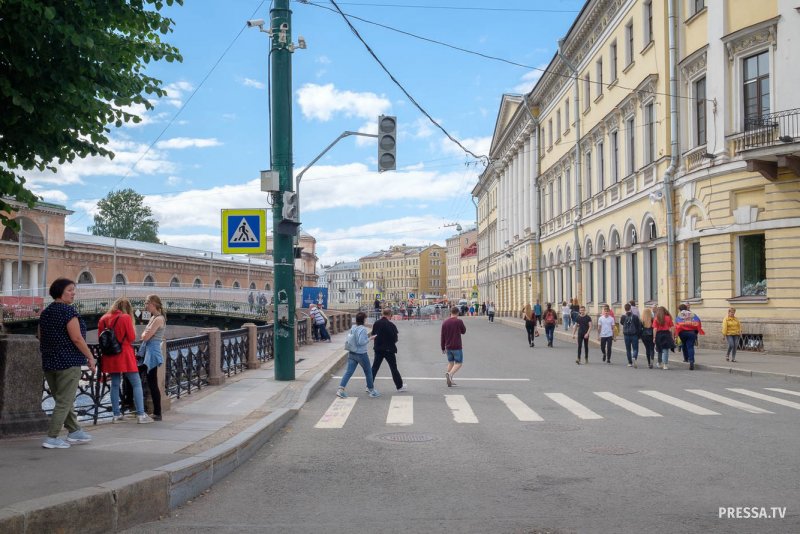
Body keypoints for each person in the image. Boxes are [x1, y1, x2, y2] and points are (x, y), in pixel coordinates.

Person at [38, 278, 97, 449]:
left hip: (50, 362)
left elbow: (41, 336)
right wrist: (90, 357)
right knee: (65, 401)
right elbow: (77, 338)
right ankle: (52, 437)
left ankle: (74, 431)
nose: (74, 293)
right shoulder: (68, 311)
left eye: (74, 290)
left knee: (62, 399)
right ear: (60, 291)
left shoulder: (46, 312)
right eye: (70, 290)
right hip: (68, 362)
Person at [98, 298, 154, 424]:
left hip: (110, 355)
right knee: (136, 383)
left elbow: (101, 338)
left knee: (115, 384)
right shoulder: (125, 318)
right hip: (124, 355)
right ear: (128, 308)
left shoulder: (103, 318)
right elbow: (131, 337)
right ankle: (141, 415)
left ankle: (116, 415)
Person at [337, 312, 380, 398]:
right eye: (365, 318)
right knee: (368, 371)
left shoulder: (353, 327)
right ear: (363, 319)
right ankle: (371, 390)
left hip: (352, 352)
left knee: (349, 372)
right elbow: (361, 342)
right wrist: (370, 338)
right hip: (361, 353)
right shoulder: (363, 329)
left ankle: (340, 390)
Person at [139, 294, 166, 421]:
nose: (146, 306)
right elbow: (144, 334)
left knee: (152, 383)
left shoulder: (158, 319)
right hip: (149, 350)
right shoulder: (153, 318)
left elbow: (145, 336)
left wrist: (145, 334)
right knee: (149, 381)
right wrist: (145, 334)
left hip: (152, 352)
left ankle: (157, 413)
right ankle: (153, 412)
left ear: (153, 304)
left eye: (147, 303)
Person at [371, 308, 407, 392]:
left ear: (383, 314)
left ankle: (369, 385)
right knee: (393, 368)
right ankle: (399, 386)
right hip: (389, 350)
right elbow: (395, 338)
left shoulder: (376, 323)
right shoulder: (391, 325)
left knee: (375, 368)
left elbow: (373, 335)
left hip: (378, 349)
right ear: (390, 315)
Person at [441, 306, 467, 387]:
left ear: (450, 313)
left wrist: (442, 347)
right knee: (459, 363)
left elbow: (442, 336)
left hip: (448, 347)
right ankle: (450, 374)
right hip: (456, 346)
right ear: (458, 313)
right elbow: (463, 331)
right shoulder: (459, 321)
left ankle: (449, 380)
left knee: (451, 362)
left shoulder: (445, 322)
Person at [675, 303, 704, 370]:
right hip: (692, 333)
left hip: (682, 333)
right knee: (690, 347)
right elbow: (698, 322)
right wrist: (696, 332)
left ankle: (685, 358)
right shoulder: (693, 314)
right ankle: (691, 361)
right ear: (686, 308)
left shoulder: (679, 315)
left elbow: (677, 324)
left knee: (684, 345)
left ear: (680, 309)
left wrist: (677, 334)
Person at [620, 302, 643, 368]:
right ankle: (634, 357)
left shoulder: (623, 317)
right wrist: (639, 335)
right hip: (634, 335)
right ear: (630, 308)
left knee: (628, 349)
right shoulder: (635, 317)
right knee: (635, 348)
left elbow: (622, 323)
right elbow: (638, 326)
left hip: (626, 335)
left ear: (625, 309)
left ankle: (630, 362)